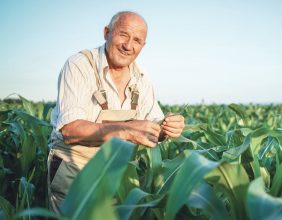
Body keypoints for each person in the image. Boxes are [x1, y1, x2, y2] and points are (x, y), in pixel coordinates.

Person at [47, 11, 185, 213]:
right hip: (73, 168)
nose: (128, 46)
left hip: (117, 171)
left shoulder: (142, 79)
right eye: (123, 35)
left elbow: (154, 125)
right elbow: (70, 130)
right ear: (107, 33)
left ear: (142, 47)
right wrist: (128, 130)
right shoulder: (80, 65)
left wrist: (167, 128)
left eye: (137, 40)